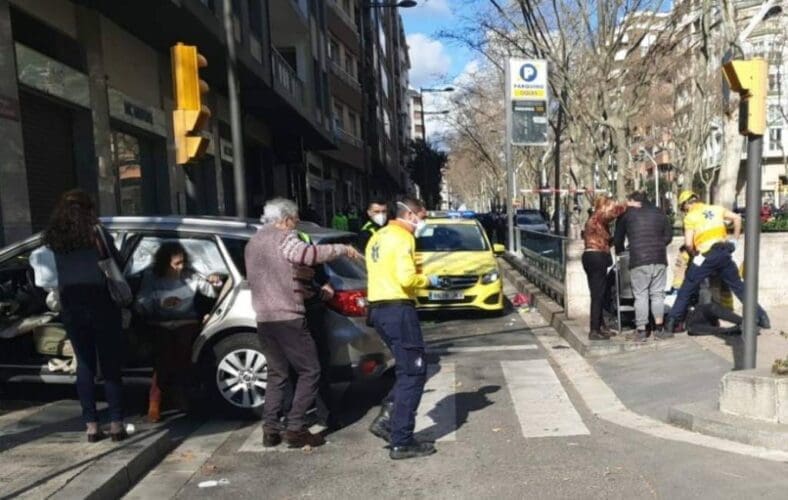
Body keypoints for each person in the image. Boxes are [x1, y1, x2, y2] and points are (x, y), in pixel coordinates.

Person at [245, 198, 363, 449]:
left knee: (277, 374)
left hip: (265, 318)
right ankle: (296, 428)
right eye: (295, 220)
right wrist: (341, 249)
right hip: (288, 316)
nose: (296, 224)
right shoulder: (284, 238)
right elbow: (308, 254)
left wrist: (300, 284)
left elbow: (272, 275)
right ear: (286, 220)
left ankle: (270, 429)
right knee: (310, 370)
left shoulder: (253, 242)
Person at [44, 190, 127, 442]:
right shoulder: (96, 232)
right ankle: (116, 424)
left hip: (72, 306)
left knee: (85, 364)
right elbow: (117, 261)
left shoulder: (54, 237)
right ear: (88, 209)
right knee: (110, 364)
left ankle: (91, 425)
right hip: (101, 303)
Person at [366, 197, 439, 460]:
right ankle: (401, 438)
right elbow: (407, 278)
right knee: (414, 373)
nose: (424, 221)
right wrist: (428, 280)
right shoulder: (403, 238)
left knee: (406, 369)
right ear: (410, 214)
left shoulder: (378, 236)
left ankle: (389, 417)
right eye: (423, 215)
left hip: (378, 309)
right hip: (398, 309)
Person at [136, 242, 223, 422]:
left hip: (186, 320)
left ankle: (174, 395)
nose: (180, 267)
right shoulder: (151, 277)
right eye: (176, 264)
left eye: (182, 262)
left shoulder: (190, 276)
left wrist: (215, 282)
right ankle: (157, 401)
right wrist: (158, 302)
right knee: (165, 355)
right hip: (160, 322)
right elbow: (141, 301)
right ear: (164, 263)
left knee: (183, 352)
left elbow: (210, 290)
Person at [665, 191, 771, 335]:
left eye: (684, 208)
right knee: (739, 287)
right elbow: (737, 218)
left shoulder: (690, 217)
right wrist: (734, 240)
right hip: (723, 253)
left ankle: (671, 323)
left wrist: (694, 255)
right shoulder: (716, 209)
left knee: (686, 288)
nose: (685, 211)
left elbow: (689, 244)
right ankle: (762, 317)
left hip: (705, 256)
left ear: (686, 204)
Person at [613, 191, 673, 341]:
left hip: (639, 259)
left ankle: (641, 331)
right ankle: (659, 329)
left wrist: (621, 251)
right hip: (659, 258)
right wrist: (658, 246)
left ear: (632, 201)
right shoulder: (659, 212)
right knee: (658, 294)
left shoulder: (627, 214)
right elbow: (668, 236)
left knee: (640, 295)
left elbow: (618, 238)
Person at [582, 195, 640, 340]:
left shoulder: (597, 222)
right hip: (596, 257)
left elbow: (606, 241)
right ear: (604, 206)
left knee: (598, 294)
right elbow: (611, 213)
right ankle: (594, 330)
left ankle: (600, 326)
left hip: (593, 257)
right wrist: (627, 204)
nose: (612, 207)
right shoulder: (598, 216)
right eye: (610, 204)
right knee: (597, 296)